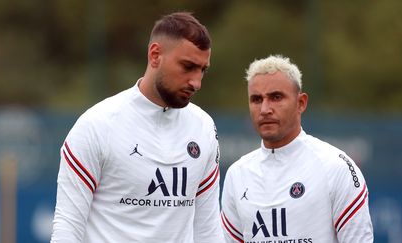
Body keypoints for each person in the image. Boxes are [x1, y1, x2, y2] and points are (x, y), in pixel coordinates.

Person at [51, 12, 224, 242]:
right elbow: (67, 226)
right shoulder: (97, 125)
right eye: (188, 66)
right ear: (155, 55)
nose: (196, 82)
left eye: (202, 70)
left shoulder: (203, 127)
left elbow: (208, 229)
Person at [221, 55, 373, 243]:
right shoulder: (237, 175)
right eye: (256, 99)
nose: (265, 109)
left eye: (276, 97)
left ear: (301, 103)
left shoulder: (335, 167)